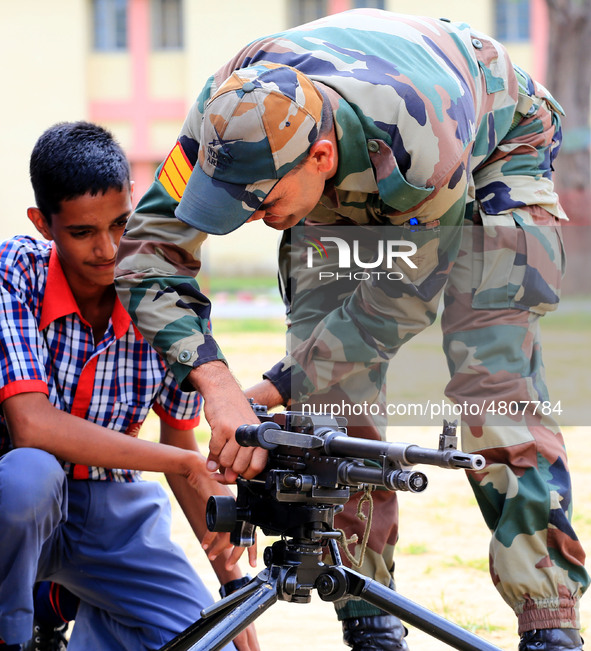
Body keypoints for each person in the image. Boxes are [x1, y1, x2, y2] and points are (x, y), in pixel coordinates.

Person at [114, 9, 588, 651]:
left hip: (493, 145)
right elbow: (146, 256)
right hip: (343, 162)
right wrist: (219, 387)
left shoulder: (426, 150)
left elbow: (394, 305)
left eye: (261, 202)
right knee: (329, 401)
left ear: (321, 156)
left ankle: (548, 622)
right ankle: (365, 615)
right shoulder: (226, 114)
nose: (252, 220)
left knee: (492, 375)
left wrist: (274, 387)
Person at [0, 121, 258, 651]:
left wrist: (236, 594)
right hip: (14, 510)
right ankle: (15, 630)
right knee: (29, 476)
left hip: (111, 505)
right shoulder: (14, 273)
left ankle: (65, 600)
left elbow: (183, 445)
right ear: (43, 225)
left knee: (201, 641)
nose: (109, 248)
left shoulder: (166, 299)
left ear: (134, 203)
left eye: (121, 224)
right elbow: (30, 424)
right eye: (82, 233)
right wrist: (181, 463)